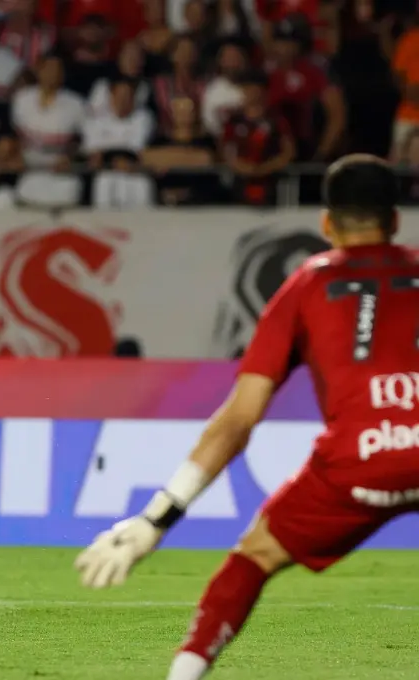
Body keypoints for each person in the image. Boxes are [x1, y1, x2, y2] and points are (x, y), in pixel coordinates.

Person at [73, 154, 419, 679]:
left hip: (360, 462)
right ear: (395, 220)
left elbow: (239, 419)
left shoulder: (306, 286)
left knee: (253, 558)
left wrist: (156, 519)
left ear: (327, 223)